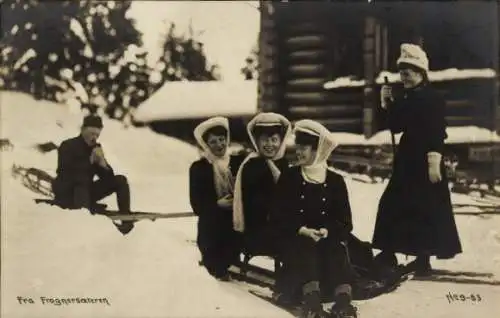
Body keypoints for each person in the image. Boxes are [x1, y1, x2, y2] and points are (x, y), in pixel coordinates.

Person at [372, 43, 462, 277]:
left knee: (426, 208)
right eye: (402, 72)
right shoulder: (406, 97)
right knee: (394, 202)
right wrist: (388, 103)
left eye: (409, 72)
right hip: (408, 157)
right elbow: (396, 126)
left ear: (421, 72)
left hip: (426, 157)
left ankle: (423, 258)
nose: (405, 77)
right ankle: (389, 251)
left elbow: (438, 131)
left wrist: (434, 159)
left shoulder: (433, 99)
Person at [270, 119, 357, 318]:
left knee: (337, 247)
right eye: (297, 147)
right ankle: (312, 302)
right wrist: (302, 230)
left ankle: (343, 303)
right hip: (296, 237)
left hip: (326, 238)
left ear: (317, 150)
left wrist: (328, 230)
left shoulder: (335, 181)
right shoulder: (289, 178)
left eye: (304, 148)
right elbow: (278, 215)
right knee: (305, 247)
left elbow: (345, 221)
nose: (298, 152)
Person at [52, 115, 133, 233]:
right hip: (68, 191)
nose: (94, 137)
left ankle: (126, 219)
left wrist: (102, 163)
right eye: (91, 133)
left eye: (97, 134)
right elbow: (64, 171)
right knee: (80, 186)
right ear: (83, 129)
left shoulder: (95, 148)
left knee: (120, 180)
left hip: (86, 191)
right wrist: (89, 161)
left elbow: (107, 178)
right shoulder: (68, 145)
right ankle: (85, 215)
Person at [189, 117, 245, 281]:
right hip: (212, 220)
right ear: (206, 145)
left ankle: (232, 258)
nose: (219, 145)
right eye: (213, 142)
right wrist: (217, 204)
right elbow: (197, 204)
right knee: (213, 230)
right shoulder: (199, 168)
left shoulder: (237, 162)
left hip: (236, 216)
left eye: (222, 140)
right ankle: (214, 261)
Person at [233, 112, 291, 256]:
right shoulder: (253, 166)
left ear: (281, 141)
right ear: (256, 141)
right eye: (265, 140)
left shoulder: (282, 163)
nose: (270, 145)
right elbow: (257, 208)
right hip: (259, 232)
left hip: (280, 227)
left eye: (274, 140)